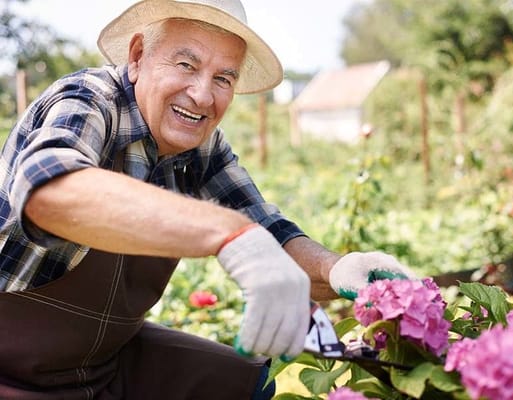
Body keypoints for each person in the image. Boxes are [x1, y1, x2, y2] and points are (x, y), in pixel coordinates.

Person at [0, 0, 417, 399]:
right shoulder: (89, 100)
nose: (202, 96)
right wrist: (228, 233)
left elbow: (268, 231)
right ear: (139, 55)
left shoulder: (202, 148)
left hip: (102, 361)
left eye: (224, 78)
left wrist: (338, 267)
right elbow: (49, 191)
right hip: (11, 366)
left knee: (244, 381)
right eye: (186, 64)